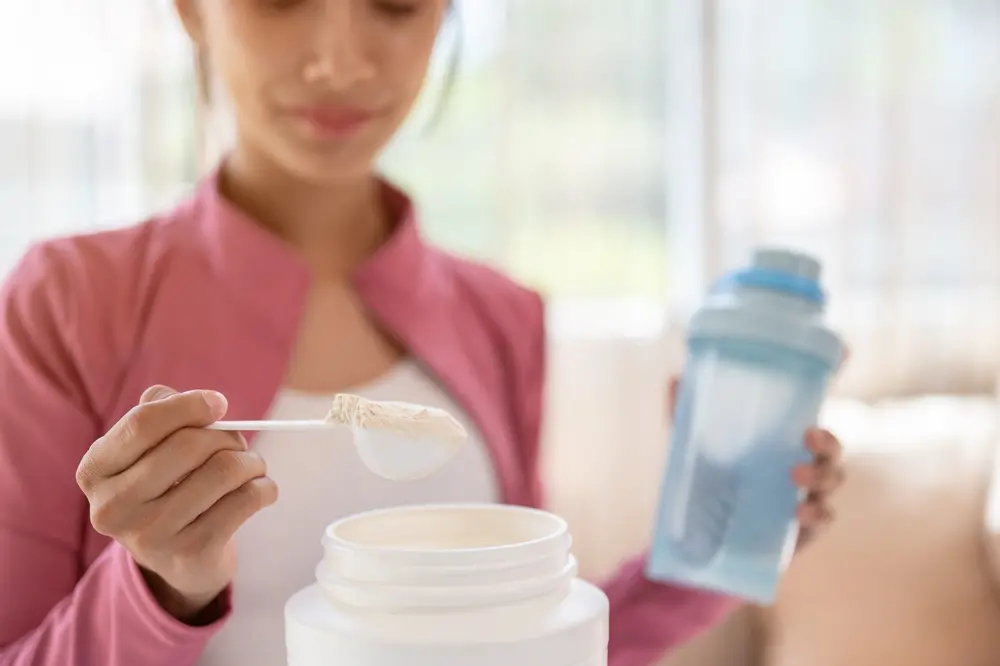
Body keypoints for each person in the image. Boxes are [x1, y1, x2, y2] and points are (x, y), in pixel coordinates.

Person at [0, 1, 845, 665]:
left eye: (397, 4)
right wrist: (156, 590)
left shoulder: (502, 316)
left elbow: (532, 646)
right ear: (190, 9)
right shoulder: (67, 303)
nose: (340, 60)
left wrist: (712, 542)